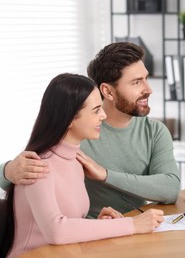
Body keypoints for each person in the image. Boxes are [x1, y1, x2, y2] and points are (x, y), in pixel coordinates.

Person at [0, 42, 180, 218]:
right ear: (108, 92)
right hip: (89, 236)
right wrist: (8, 170)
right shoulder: (79, 130)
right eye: (136, 82)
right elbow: (26, 172)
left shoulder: (155, 131)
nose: (148, 89)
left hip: (138, 230)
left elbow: (170, 189)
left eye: (146, 79)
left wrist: (105, 175)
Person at [0, 73, 164, 258]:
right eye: (96, 110)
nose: (103, 115)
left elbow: (67, 221)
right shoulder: (37, 166)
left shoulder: (75, 160)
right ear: (69, 119)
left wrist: (99, 224)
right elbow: (56, 230)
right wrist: (132, 225)